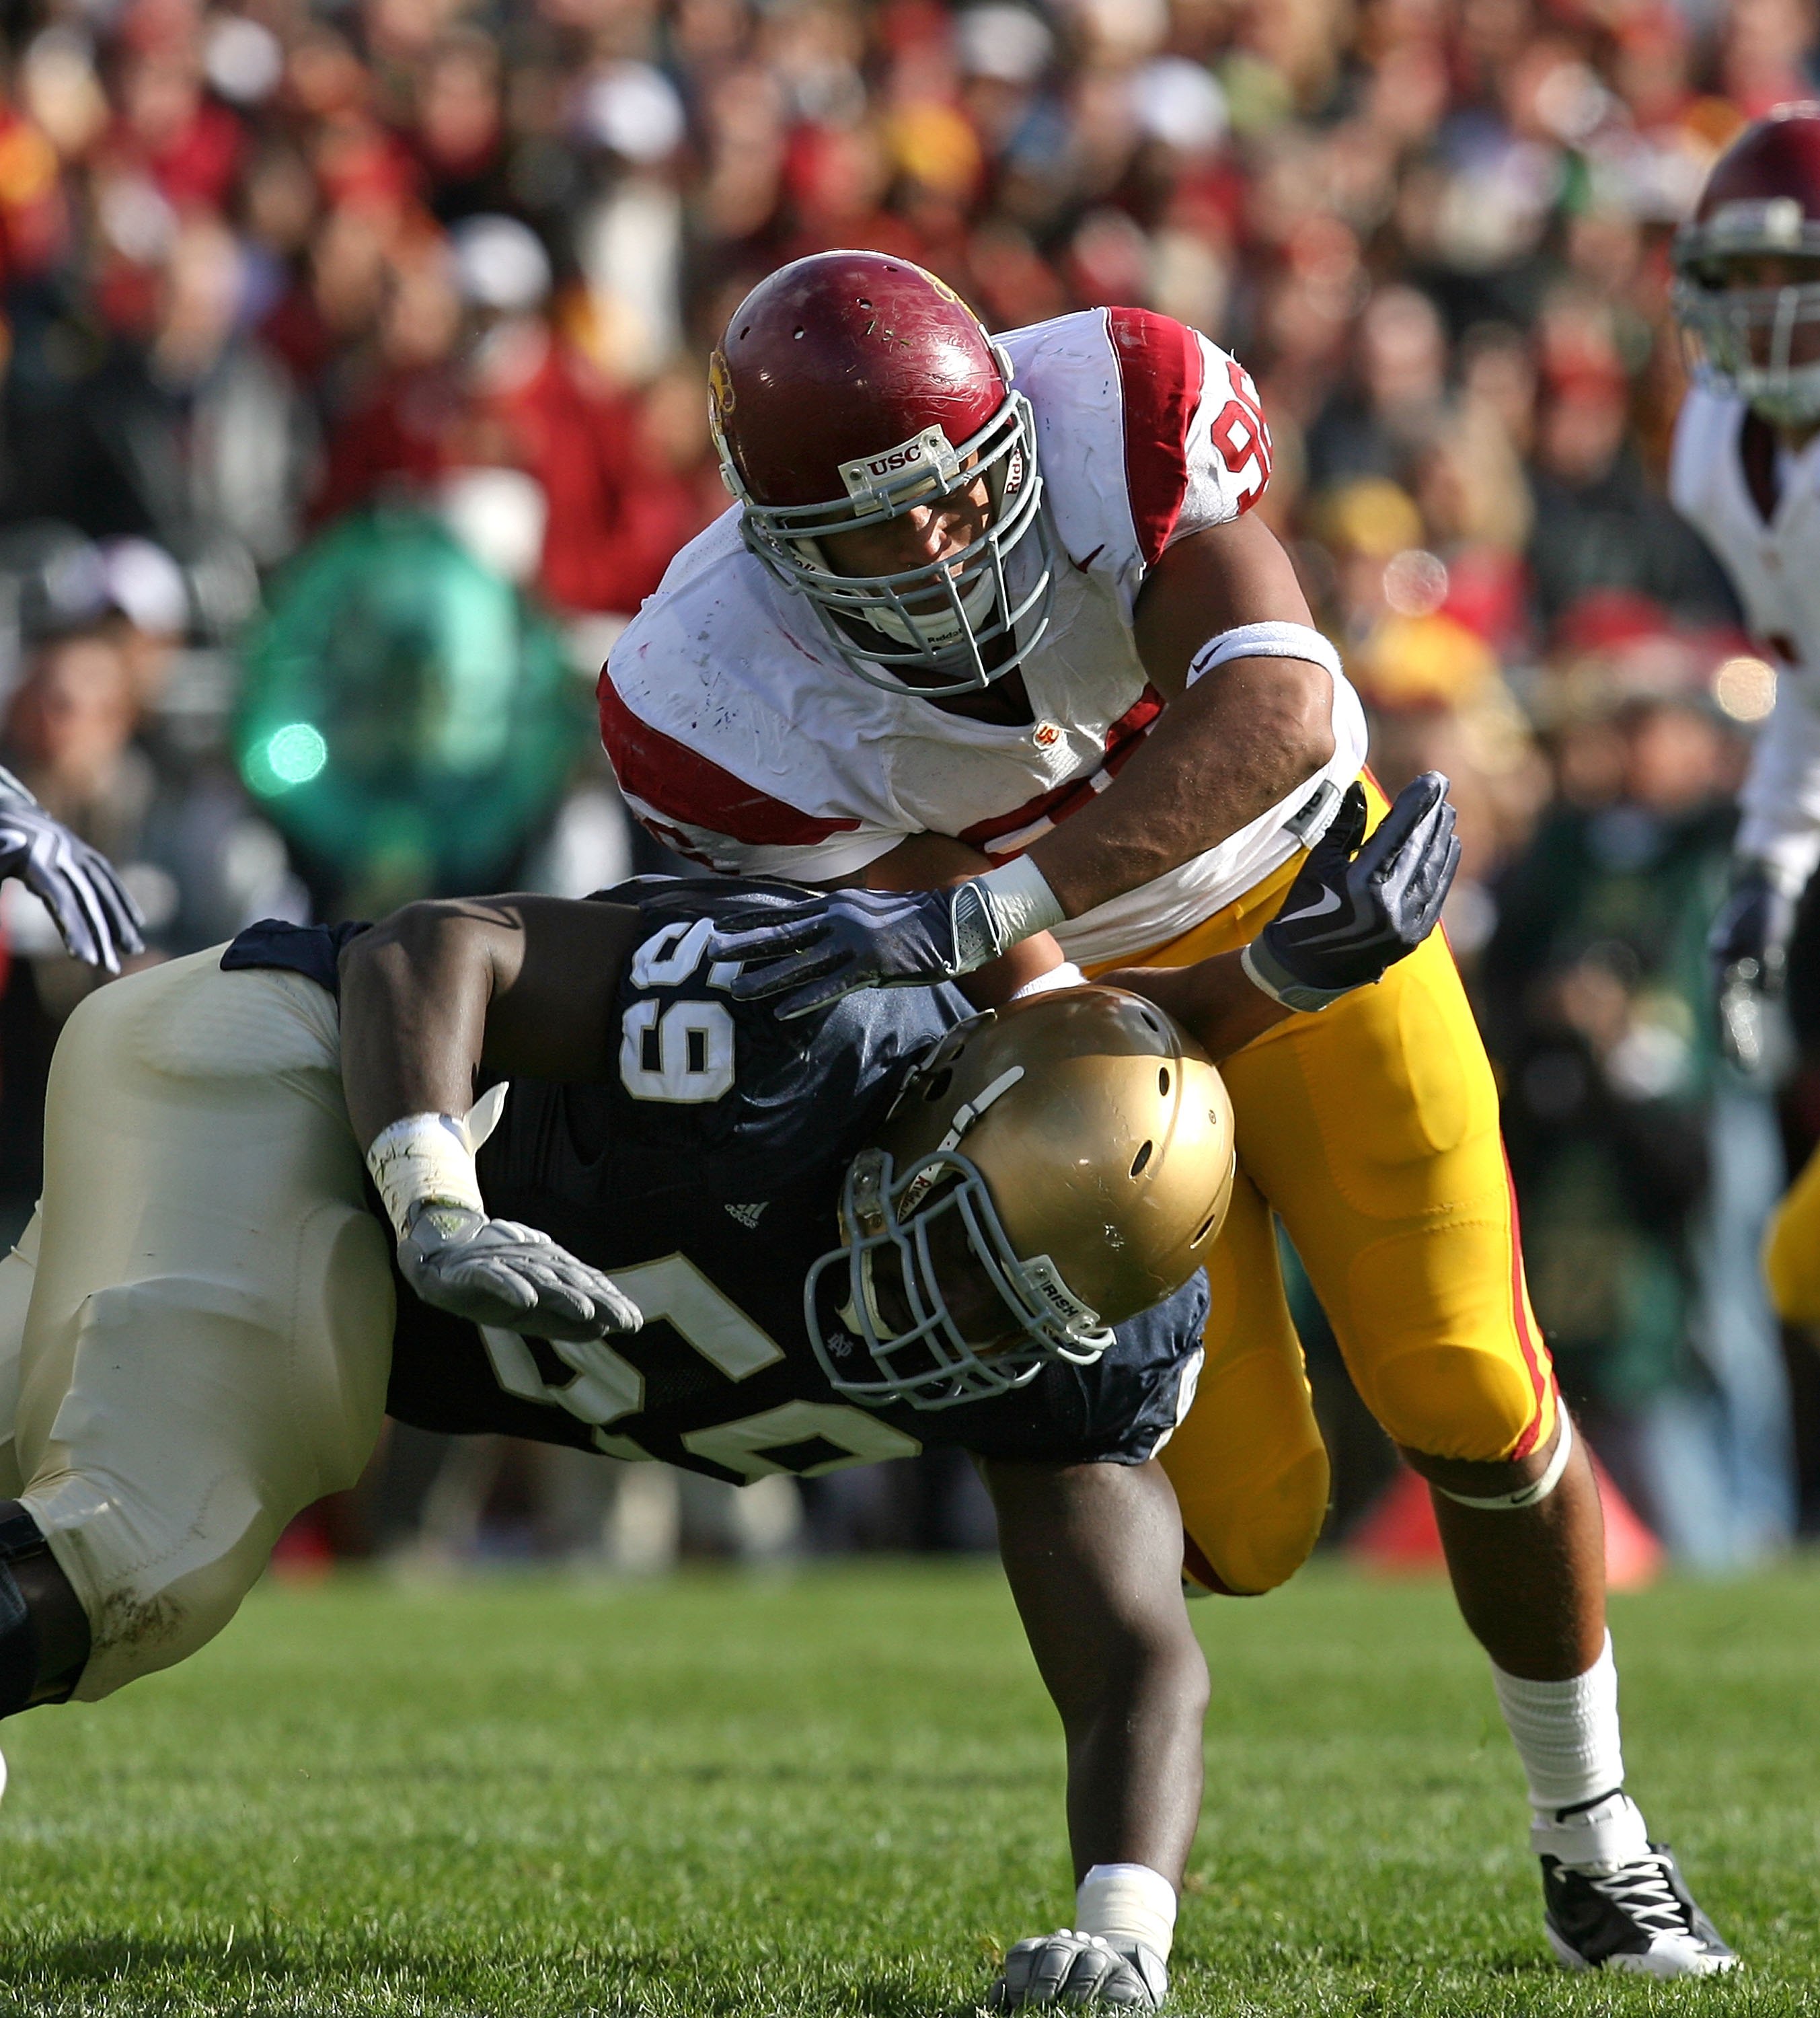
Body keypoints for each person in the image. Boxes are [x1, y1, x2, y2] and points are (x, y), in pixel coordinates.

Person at [597, 250, 1735, 1978]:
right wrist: (1141, 973)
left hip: (1303, 896)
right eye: (867, 537)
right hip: (1088, 1021)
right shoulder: (701, 691)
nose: (932, 553)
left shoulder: (1115, 401)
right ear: (770, 536)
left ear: (1013, 442)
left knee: (1467, 1386)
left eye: (962, 498)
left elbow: (1273, 713)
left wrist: (1002, 910)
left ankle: (1598, 1839)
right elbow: (1035, 1015)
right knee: (1251, 1523)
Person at [0, 776, 1452, 2011]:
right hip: (302, 1094)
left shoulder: (1073, 1342)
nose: (949, 1329)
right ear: (930, 1120)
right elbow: (430, 950)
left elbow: (1138, 1661)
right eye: (957, 1261)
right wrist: (434, 1199)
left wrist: (1124, 1934)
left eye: (1011, 1320)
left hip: (280, 1189)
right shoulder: (801, 1033)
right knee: (147, 1551)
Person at [1670, 103, 1820, 1335]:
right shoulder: (1716, 447)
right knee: (1801, 1268)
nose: (1759, 309)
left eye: (1789, 278)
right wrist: (1768, 867)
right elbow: (1810, 682)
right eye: (1739, 280)